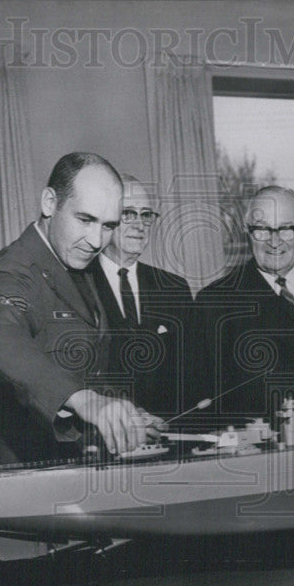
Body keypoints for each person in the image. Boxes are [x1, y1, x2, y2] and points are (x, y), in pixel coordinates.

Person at [0, 152, 165, 465]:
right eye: (85, 220)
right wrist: (84, 400)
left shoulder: (75, 265)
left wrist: (120, 412)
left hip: (67, 465)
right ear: (49, 203)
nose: (96, 240)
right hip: (17, 473)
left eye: (109, 225)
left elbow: (83, 367)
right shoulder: (13, 270)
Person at [194, 186, 294, 422]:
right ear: (247, 232)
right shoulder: (216, 300)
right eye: (262, 229)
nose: (274, 241)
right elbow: (208, 394)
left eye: (286, 229)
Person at [87, 176, 194, 419]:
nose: (140, 225)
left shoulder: (174, 288)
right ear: (105, 220)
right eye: (128, 213)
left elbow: (190, 376)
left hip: (169, 434)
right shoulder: (77, 284)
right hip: (103, 435)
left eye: (146, 215)